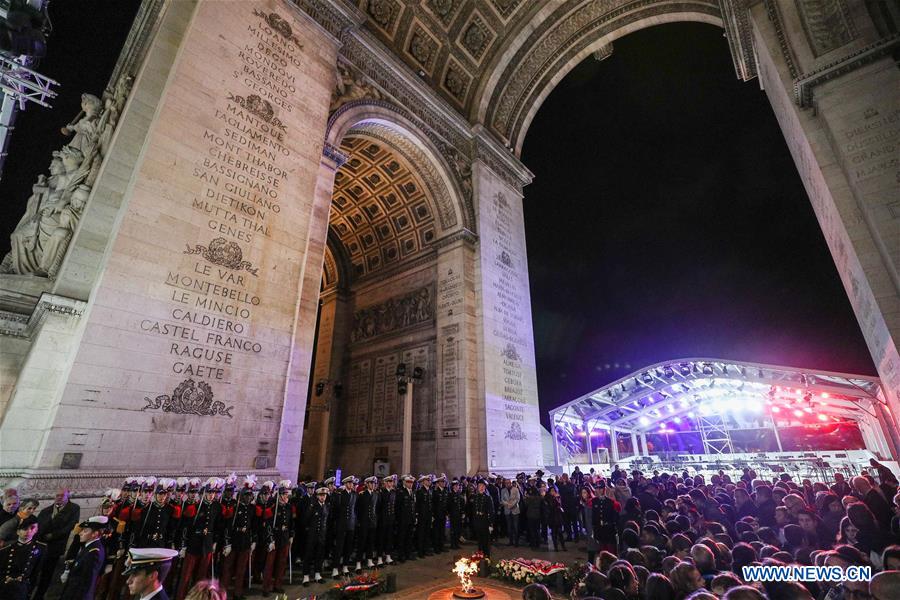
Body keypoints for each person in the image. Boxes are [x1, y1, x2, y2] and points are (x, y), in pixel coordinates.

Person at [176, 478, 222, 600]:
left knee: (201, 576)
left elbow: (217, 526)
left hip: (207, 545)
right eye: (209, 492)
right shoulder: (195, 506)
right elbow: (186, 528)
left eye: (213, 493)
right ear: (203, 493)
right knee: (186, 575)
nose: (211, 495)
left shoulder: (217, 506)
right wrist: (184, 545)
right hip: (193, 544)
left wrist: (215, 542)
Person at [32, 487, 80, 600]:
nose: (58, 497)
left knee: (47, 574)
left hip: (55, 547)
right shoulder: (46, 511)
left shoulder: (73, 508)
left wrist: (54, 535)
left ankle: (40, 596)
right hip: (42, 544)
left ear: (67, 496)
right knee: (35, 571)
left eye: (61, 495)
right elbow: (38, 525)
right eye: (56, 495)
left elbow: (71, 525)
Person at [220, 476, 256, 600]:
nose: (248, 497)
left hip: (245, 541)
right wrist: (227, 543)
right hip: (234, 540)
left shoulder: (251, 508)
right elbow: (228, 527)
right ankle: (222, 593)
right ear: (241, 496)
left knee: (241, 569)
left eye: (250, 495)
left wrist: (253, 541)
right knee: (227, 568)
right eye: (246, 495)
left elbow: (253, 526)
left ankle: (237, 593)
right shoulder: (234, 508)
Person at [59, 516, 107, 600]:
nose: (81, 533)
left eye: (85, 531)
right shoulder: (89, 547)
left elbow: (87, 581)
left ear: (95, 534)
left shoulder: (94, 552)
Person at [0, 515, 43, 600]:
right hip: (5, 585)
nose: (28, 531)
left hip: (23, 587)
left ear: (36, 530)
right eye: (24, 528)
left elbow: (37, 572)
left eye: (32, 528)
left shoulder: (40, 549)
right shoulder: (6, 549)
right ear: (18, 531)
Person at [301, 486, 329, 586]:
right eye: (321, 495)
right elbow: (306, 520)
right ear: (317, 496)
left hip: (321, 535)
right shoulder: (313, 506)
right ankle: (306, 576)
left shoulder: (326, 506)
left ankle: (317, 574)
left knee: (319, 555)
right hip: (312, 535)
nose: (323, 497)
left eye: (324, 495)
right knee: (308, 555)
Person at [470, 479, 494, 558]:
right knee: (479, 540)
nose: (481, 487)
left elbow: (491, 511)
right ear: (477, 487)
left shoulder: (488, 497)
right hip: (477, 521)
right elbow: (473, 510)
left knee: (486, 541)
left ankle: (486, 557)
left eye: (483, 486)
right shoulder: (475, 497)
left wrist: (490, 524)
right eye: (480, 485)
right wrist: (473, 521)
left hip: (485, 521)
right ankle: (480, 556)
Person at [396, 475, 416, 562]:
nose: (410, 484)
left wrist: (414, 517)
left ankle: (408, 554)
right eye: (408, 482)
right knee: (402, 538)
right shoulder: (401, 492)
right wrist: (399, 519)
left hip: (410, 519)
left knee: (409, 538)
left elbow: (413, 506)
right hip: (403, 519)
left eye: (411, 483)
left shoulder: (412, 492)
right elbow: (398, 507)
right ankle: (401, 555)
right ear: (405, 483)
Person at [415, 474, 433, 558]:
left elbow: (430, 504)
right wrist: (417, 515)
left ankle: (426, 550)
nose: (429, 481)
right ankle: (420, 552)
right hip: (422, 516)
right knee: (421, 534)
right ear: (423, 482)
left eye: (429, 480)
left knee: (427, 533)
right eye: (427, 480)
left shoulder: (429, 491)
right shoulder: (420, 491)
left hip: (428, 516)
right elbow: (417, 504)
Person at [500, 477, 521, 547]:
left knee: (516, 527)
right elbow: (502, 499)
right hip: (507, 510)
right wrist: (507, 504)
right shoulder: (503, 490)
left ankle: (516, 542)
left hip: (515, 509)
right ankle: (511, 541)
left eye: (508, 483)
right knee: (509, 527)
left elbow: (518, 498)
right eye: (506, 483)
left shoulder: (515, 489)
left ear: (511, 483)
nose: (507, 484)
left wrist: (512, 505)